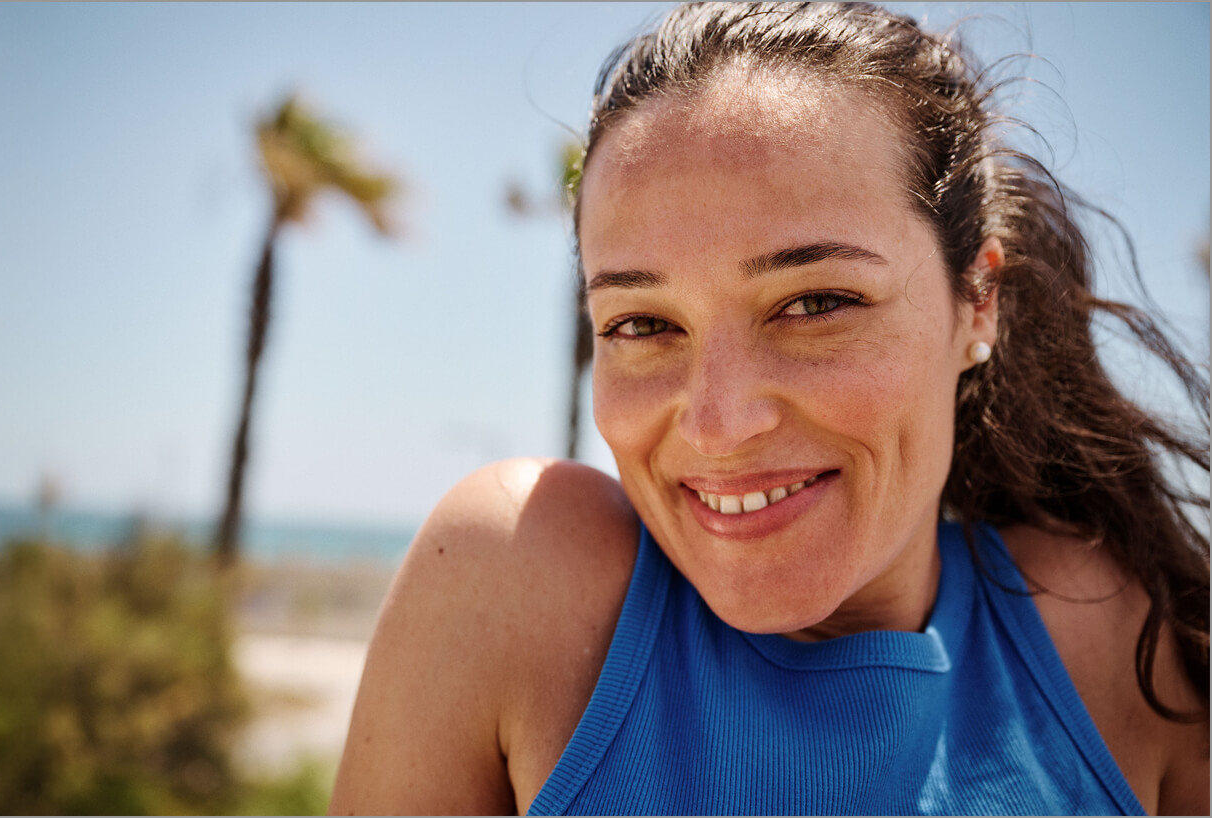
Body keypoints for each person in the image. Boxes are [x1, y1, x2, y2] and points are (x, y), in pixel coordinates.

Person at [330, 3, 1208, 815]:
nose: (717, 423)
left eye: (816, 303)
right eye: (642, 322)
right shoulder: (518, 582)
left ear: (977, 301)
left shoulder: (1109, 643)